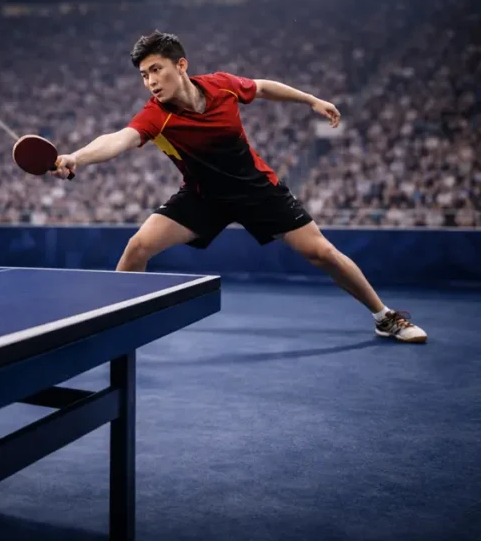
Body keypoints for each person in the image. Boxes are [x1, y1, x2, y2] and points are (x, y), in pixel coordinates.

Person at [50, 30, 426, 343]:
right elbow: (120, 138)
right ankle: (114, 324)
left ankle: (385, 317)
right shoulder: (155, 115)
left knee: (322, 253)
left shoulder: (221, 86)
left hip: (257, 189)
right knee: (139, 246)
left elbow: (263, 87)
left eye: (156, 70)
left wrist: (311, 100)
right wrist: (77, 157)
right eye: (144, 75)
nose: (150, 81)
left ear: (181, 65)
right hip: (203, 196)